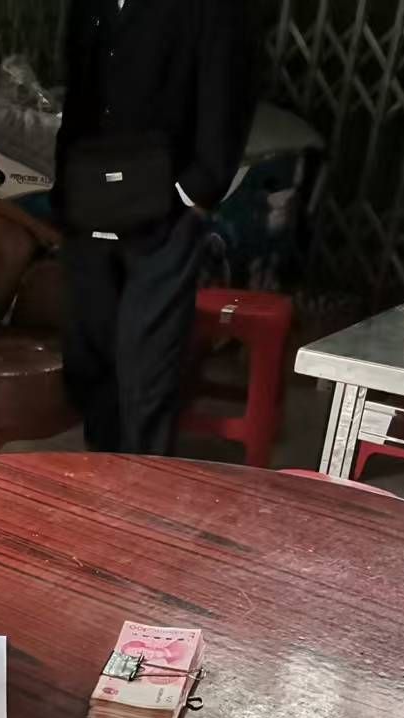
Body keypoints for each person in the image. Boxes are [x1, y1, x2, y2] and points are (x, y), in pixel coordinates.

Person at [54, 0, 257, 455]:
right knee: (90, 356)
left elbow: (229, 89)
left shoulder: (207, 9)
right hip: (89, 197)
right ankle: (101, 470)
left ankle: (142, 482)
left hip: (165, 205)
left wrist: (194, 191)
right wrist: (65, 189)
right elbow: (78, 95)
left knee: (146, 367)